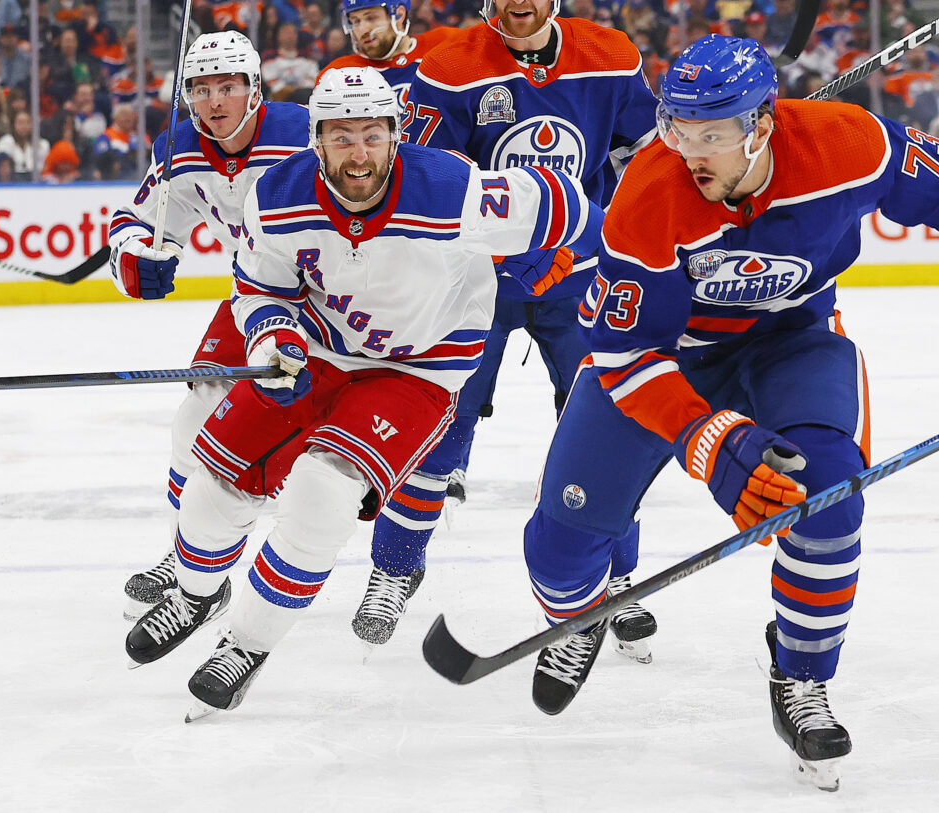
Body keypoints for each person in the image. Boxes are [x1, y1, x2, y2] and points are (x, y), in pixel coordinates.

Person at [518, 35, 939, 792]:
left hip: (791, 342)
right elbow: (623, 356)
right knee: (559, 550)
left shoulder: (850, 144)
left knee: (828, 499)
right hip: (665, 359)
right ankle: (582, 612)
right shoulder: (649, 192)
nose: (688, 150)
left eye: (710, 133)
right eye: (676, 127)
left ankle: (801, 674)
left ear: (760, 124)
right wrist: (708, 441)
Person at [123, 67, 604, 720]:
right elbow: (262, 286)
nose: (359, 152)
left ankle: (246, 644)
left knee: (323, 492)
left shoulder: (451, 190)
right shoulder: (279, 196)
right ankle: (196, 592)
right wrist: (272, 340)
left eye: (373, 135)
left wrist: (578, 257)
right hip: (321, 351)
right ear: (315, 140)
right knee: (212, 492)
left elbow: (568, 208)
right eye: (342, 136)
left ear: (394, 136)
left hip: (418, 366)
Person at [354, 0, 662, 659]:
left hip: (579, 277)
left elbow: (648, 157)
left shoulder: (611, 57)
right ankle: (394, 566)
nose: (517, 4)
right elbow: (424, 185)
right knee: (438, 424)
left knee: (608, 426)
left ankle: (616, 575)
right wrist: (509, 249)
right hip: (475, 282)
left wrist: (608, 220)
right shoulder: (450, 69)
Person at [108, 31, 312, 621]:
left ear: (255, 89)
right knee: (193, 419)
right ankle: (186, 554)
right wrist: (135, 256)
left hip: (342, 299)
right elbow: (138, 219)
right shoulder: (180, 146)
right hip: (257, 293)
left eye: (227, 86)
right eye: (200, 89)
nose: (214, 100)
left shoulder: (303, 132)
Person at [319, 0, 460, 108]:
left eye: (370, 18)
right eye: (355, 21)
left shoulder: (446, 43)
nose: (362, 29)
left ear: (398, 15)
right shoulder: (338, 72)